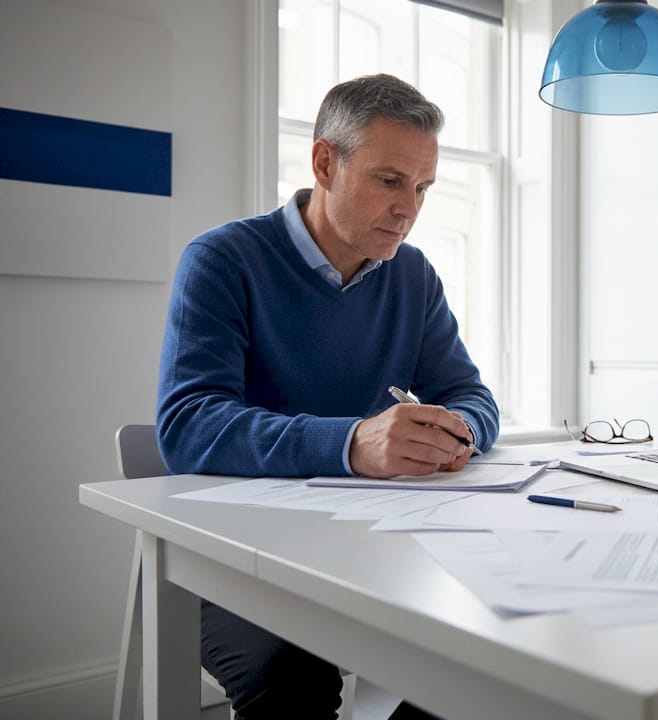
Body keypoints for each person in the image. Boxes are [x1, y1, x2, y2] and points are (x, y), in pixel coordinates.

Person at [156, 73, 498, 719]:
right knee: (293, 682)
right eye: (390, 180)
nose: (410, 208)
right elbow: (188, 426)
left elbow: (469, 392)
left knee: (482, 657)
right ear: (324, 162)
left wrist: (458, 429)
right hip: (231, 552)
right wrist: (352, 442)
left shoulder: (413, 274)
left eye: (423, 188)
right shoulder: (223, 259)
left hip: (370, 542)